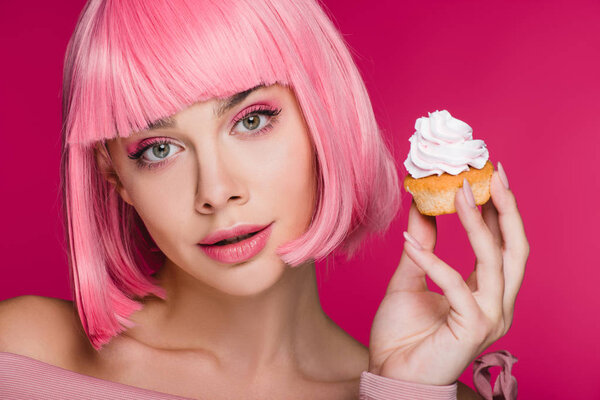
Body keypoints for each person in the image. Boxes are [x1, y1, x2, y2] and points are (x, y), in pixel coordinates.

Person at [0, 0, 528, 399]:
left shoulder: (422, 391)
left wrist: (404, 391)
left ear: (324, 113)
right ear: (114, 176)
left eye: (251, 120)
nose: (216, 192)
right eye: (159, 148)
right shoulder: (19, 354)